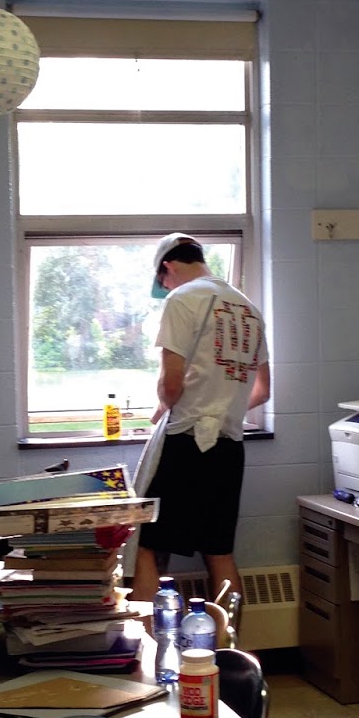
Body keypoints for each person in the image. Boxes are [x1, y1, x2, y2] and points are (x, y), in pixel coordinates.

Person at [132, 233, 270, 605]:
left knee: (148, 546)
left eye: (163, 282)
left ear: (168, 267)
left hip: (186, 441)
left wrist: (166, 405)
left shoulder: (181, 299)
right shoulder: (249, 309)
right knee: (219, 552)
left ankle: (145, 641)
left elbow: (171, 385)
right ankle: (230, 639)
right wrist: (224, 407)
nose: (166, 288)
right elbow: (262, 391)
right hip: (229, 447)